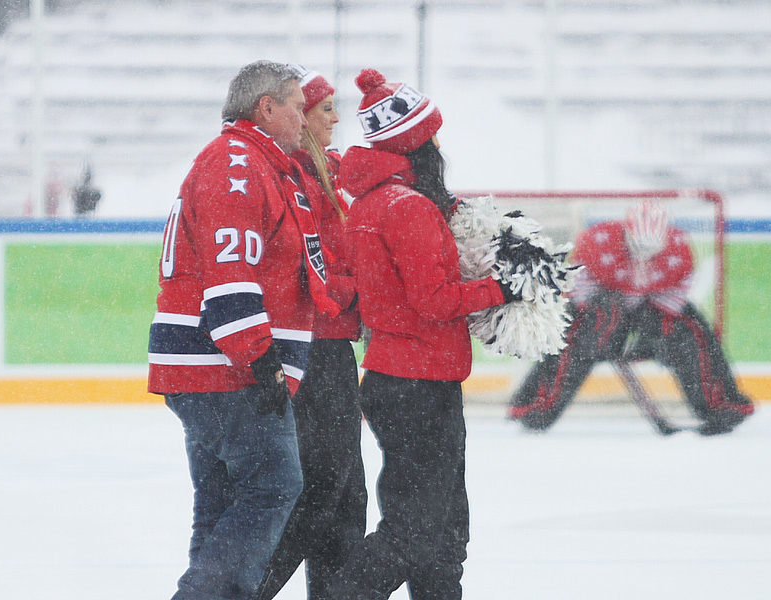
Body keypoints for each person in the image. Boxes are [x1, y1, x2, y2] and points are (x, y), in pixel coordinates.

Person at [147, 60, 339, 600]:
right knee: (275, 486)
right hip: (224, 367)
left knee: (222, 502)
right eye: (299, 108)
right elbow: (231, 272)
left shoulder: (256, 162)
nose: (305, 120)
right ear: (267, 108)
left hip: (208, 364)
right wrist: (261, 358)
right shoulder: (237, 165)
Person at [324, 68, 518, 600]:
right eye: (432, 135)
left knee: (444, 527)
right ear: (418, 143)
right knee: (417, 530)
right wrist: (502, 288)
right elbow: (435, 301)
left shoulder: (373, 203)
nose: (439, 145)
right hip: (418, 385)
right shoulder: (407, 208)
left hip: (401, 379)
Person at [255, 65, 367, 600]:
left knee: (346, 497)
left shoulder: (333, 173)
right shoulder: (294, 180)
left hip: (332, 348)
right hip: (311, 350)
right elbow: (310, 271)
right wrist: (369, 287)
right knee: (321, 491)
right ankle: (243, 587)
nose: (334, 118)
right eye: (324, 109)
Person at [508, 200, 755, 435]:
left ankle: (720, 406)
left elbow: (675, 297)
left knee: (691, 329)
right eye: (638, 247)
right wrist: (607, 332)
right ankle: (536, 407)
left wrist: (652, 334)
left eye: (651, 250)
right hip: (601, 312)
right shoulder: (596, 242)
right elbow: (578, 293)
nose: (644, 256)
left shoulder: (679, 249)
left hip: (650, 309)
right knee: (578, 332)